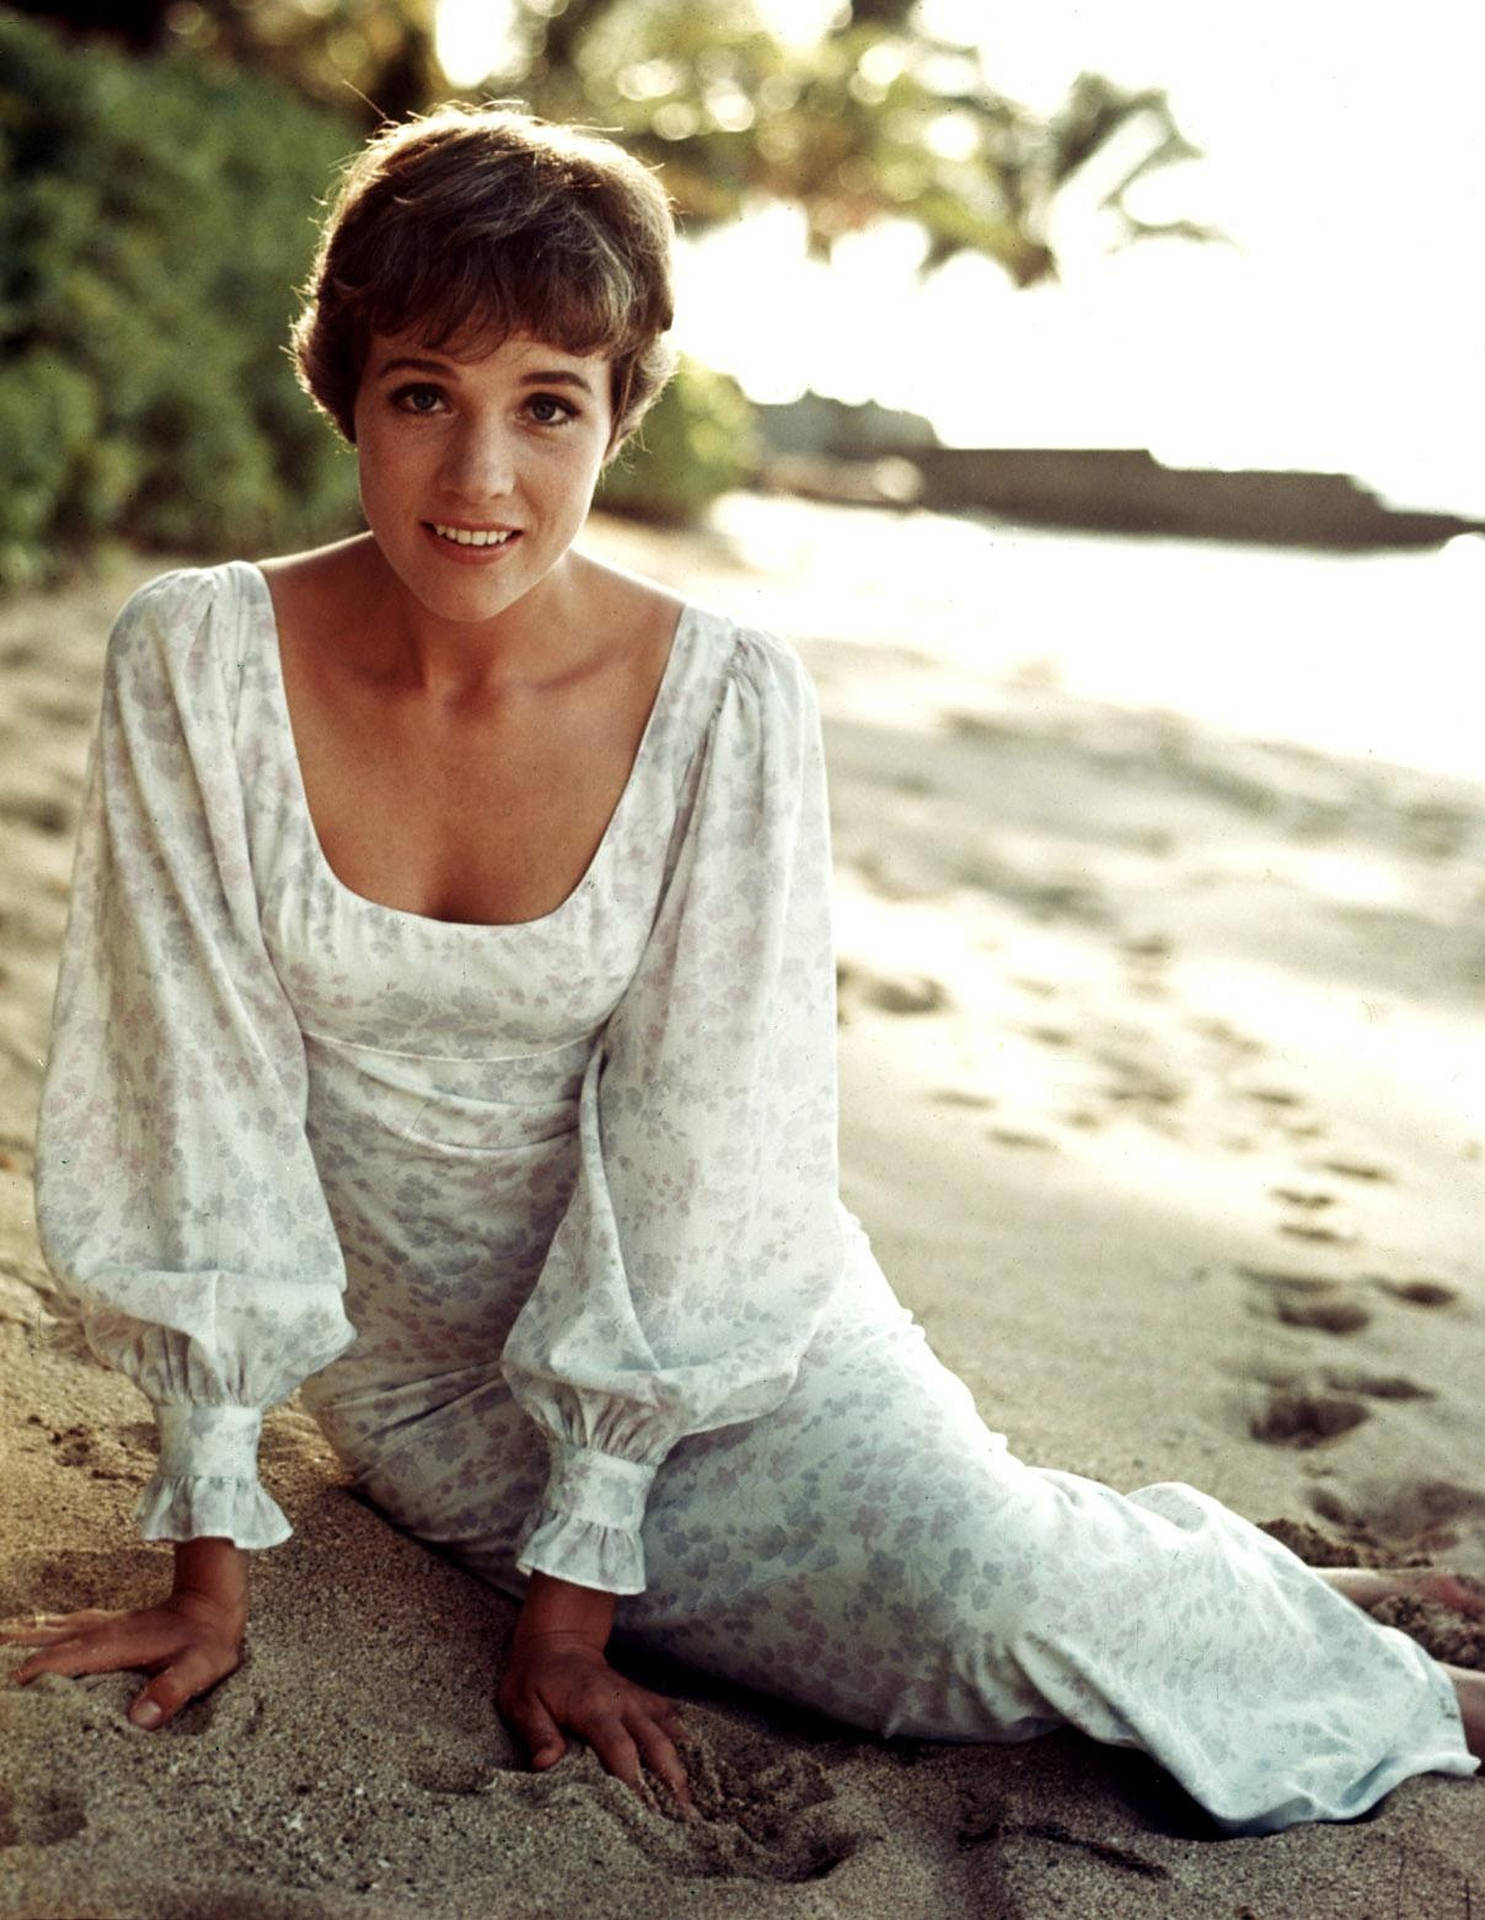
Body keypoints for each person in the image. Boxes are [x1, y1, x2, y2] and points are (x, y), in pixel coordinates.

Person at [4, 103, 1482, 1835]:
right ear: (345, 393)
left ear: (619, 413)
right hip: (418, 1386)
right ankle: (1168, 1577)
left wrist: (569, 1616)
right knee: (939, 1624)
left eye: (547, 406)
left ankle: (1364, 1664)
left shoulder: (719, 700)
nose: (480, 481)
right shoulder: (201, 659)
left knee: (977, 1611)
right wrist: (208, 1566)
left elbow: (706, 1147)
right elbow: (197, 1106)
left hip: (716, 1329)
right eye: (425, 397)